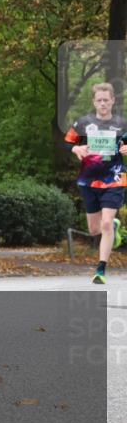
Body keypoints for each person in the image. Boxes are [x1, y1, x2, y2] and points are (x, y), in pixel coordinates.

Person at [65, 82, 127, 284]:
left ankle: (101, 269)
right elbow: (67, 142)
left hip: (114, 178)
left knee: (106, 222)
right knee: (94, 229)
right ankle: (112, 228)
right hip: (88, 180)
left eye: (106, 100)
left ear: (112, 101)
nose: (102, 104)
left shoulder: (122, 124)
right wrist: (76, 149)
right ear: (94, 102)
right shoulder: (84, 123)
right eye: (99, 100)